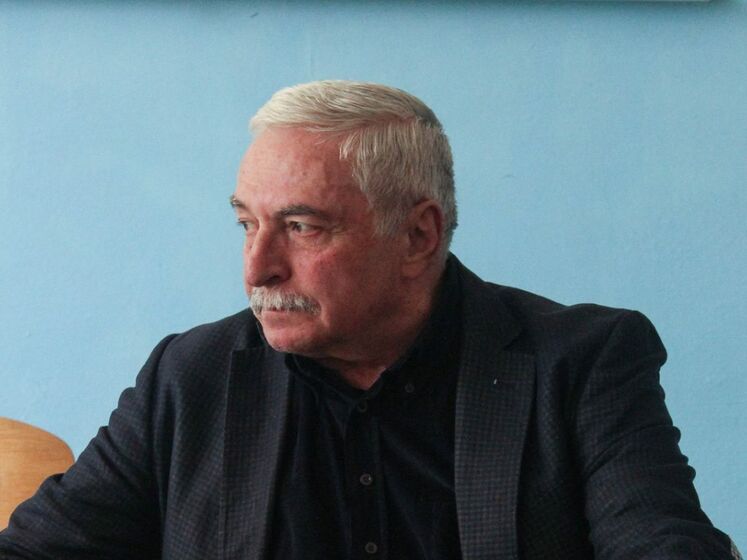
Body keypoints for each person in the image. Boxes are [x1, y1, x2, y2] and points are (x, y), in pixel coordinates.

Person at [0, 80, 740, 560]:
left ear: (417, 235)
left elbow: (662, 545)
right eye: (246, 224)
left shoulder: (580, 364)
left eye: (301, 227)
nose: (257, 269)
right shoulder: (189, 377)